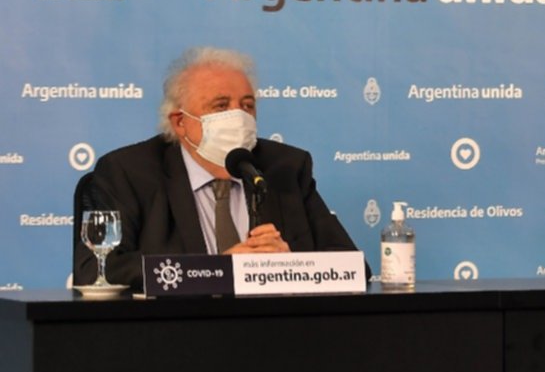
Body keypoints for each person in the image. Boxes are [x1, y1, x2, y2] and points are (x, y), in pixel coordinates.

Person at [73, 46, 362, 289]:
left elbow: (355, 267)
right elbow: (95, 270)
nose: (238, 116)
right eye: (221, 106)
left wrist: (290, 266)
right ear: (180, 122)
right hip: (177, 331)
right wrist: (218, 269)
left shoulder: (284, 167)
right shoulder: (129, 171)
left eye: (247, 106)